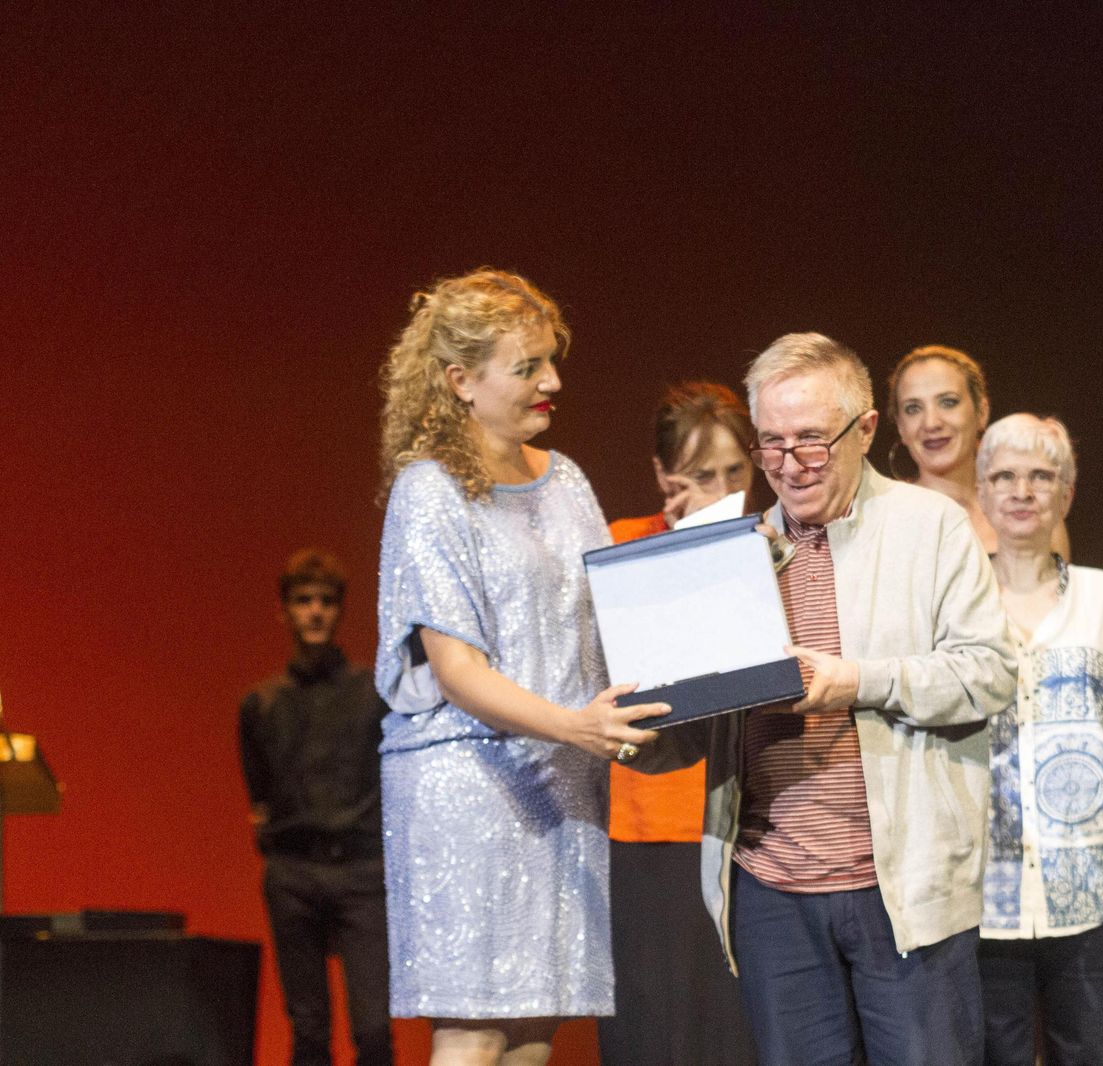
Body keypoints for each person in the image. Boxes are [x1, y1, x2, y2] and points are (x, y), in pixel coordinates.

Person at [640, 332, 1016, 1066]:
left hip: (901, 887)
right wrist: (631, 729)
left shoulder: (931, 527)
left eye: (811, 441)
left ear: (866, 430)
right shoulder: (733, 552)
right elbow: (692, 732)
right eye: (772, 444)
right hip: (772, 891)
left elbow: (990, 675)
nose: (789, 464)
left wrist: (859, 682)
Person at [374, 268, 668, 1066]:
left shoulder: (565, 477)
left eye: (552, 360)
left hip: (562, 780)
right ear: (460, 381)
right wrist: (575, 725)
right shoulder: (429, 491)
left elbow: (614, 610)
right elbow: (458, 668)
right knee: (475, 1026)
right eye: (529, 365)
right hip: (470, 784)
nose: (554, 381)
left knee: (537, 1027)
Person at [974, 415, 1103, 1066]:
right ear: (984, 493)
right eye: (1006, 477)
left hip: (1094, 882)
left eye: (1041, 476)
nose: (1022, 490)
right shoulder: (956, 603)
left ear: (1066, 495)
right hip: (988, 892)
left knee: (1090, 1055)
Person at [600, 381, 759, 1066]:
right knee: (654, 1027)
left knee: (733, 1029)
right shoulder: (623, 546)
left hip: (738, 823)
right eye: (702, 475)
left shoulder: (768, 543)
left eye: (735, 472)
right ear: (665, 477)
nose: (723, 490)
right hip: (647, 827)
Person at [239, 548, 393, 1066]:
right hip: (294, 873)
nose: (315, 611)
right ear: (284, 611)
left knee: (373, 1029)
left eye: (326, 601)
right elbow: (258, 791)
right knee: (308, 1030)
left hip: (361, 871)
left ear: (339, 610)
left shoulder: (372, 694)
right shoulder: (261, 705)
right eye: (303, 601)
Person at [888, 344, 1068, 558]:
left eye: (948, 402)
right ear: (900, 427)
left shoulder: (1034, 506)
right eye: (913, 408)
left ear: (981, 412)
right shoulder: (889, 521)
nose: (931, 423)